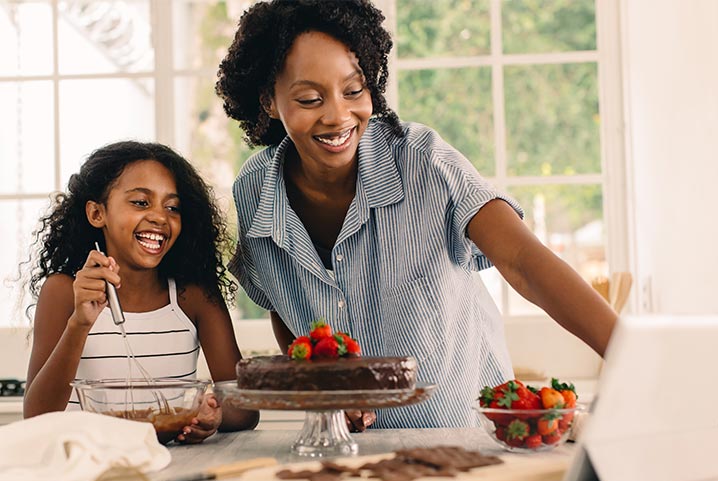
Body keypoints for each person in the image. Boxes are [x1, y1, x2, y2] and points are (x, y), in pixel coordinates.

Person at [216, 0, 617, 429]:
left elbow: (522, 261)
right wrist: (326, 391)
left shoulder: (424, 161)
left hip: (469, 441)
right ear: (269, 101)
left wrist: (632, 352)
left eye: (354, 91)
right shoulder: (256, 190)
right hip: (357, 457)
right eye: (311, 98)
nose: (338, 115)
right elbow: (283, 301)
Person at [23, 141, 259, 442]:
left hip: (169, 465)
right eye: (140, 202)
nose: (160, 217)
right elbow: (37, 418)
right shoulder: (63, 291)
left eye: (172, 207)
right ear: (97, 213)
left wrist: (215, 414)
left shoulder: (193, 296)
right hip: (82, 465)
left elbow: (246, 408)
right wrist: (80, 323)